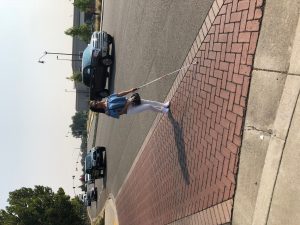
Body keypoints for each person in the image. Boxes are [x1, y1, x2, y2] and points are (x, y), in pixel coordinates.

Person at [89, 88, 170, 118]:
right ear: (97, 108)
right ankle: (162, 111)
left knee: (149, 101)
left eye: (96, 101)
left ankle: (163, 105)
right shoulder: (107, 112)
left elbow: (119, 94)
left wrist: (130, 91)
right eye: (96, 105)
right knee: (148, 106)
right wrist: (128, 103)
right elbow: (121, 113)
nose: (97, 103)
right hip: (129, 110)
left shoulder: (108, 98)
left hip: (131, 100)